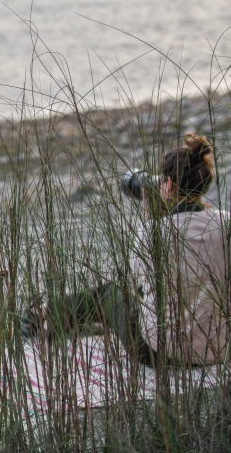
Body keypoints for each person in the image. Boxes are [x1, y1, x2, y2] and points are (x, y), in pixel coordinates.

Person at [23, 134, 230, 366]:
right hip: (221, 349)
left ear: (168, 185)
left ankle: (42, 315)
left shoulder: (153, 232)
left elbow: (140, 289)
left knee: (111, 292)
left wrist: (150, 215)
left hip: (161, 353)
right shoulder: (226, 224)